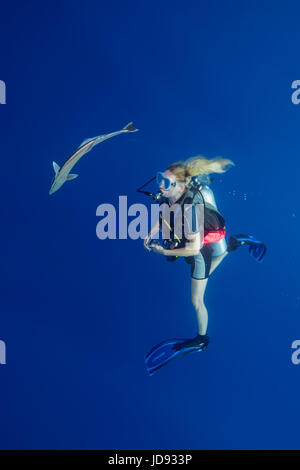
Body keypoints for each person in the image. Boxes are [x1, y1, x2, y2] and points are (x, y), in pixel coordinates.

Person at [143, 156, 266, 375]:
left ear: (181, 187)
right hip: (199, 229)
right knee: (196, 260)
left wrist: (165, 251)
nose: (161, 185)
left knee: (196, 299)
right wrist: (151, 232)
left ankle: (201, 340)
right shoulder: (171, 196)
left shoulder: (191, 209)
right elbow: (166, 215)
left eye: (167, 183)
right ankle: (235, 243)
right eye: (161, 178)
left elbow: (192, 248)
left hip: (206, 236)